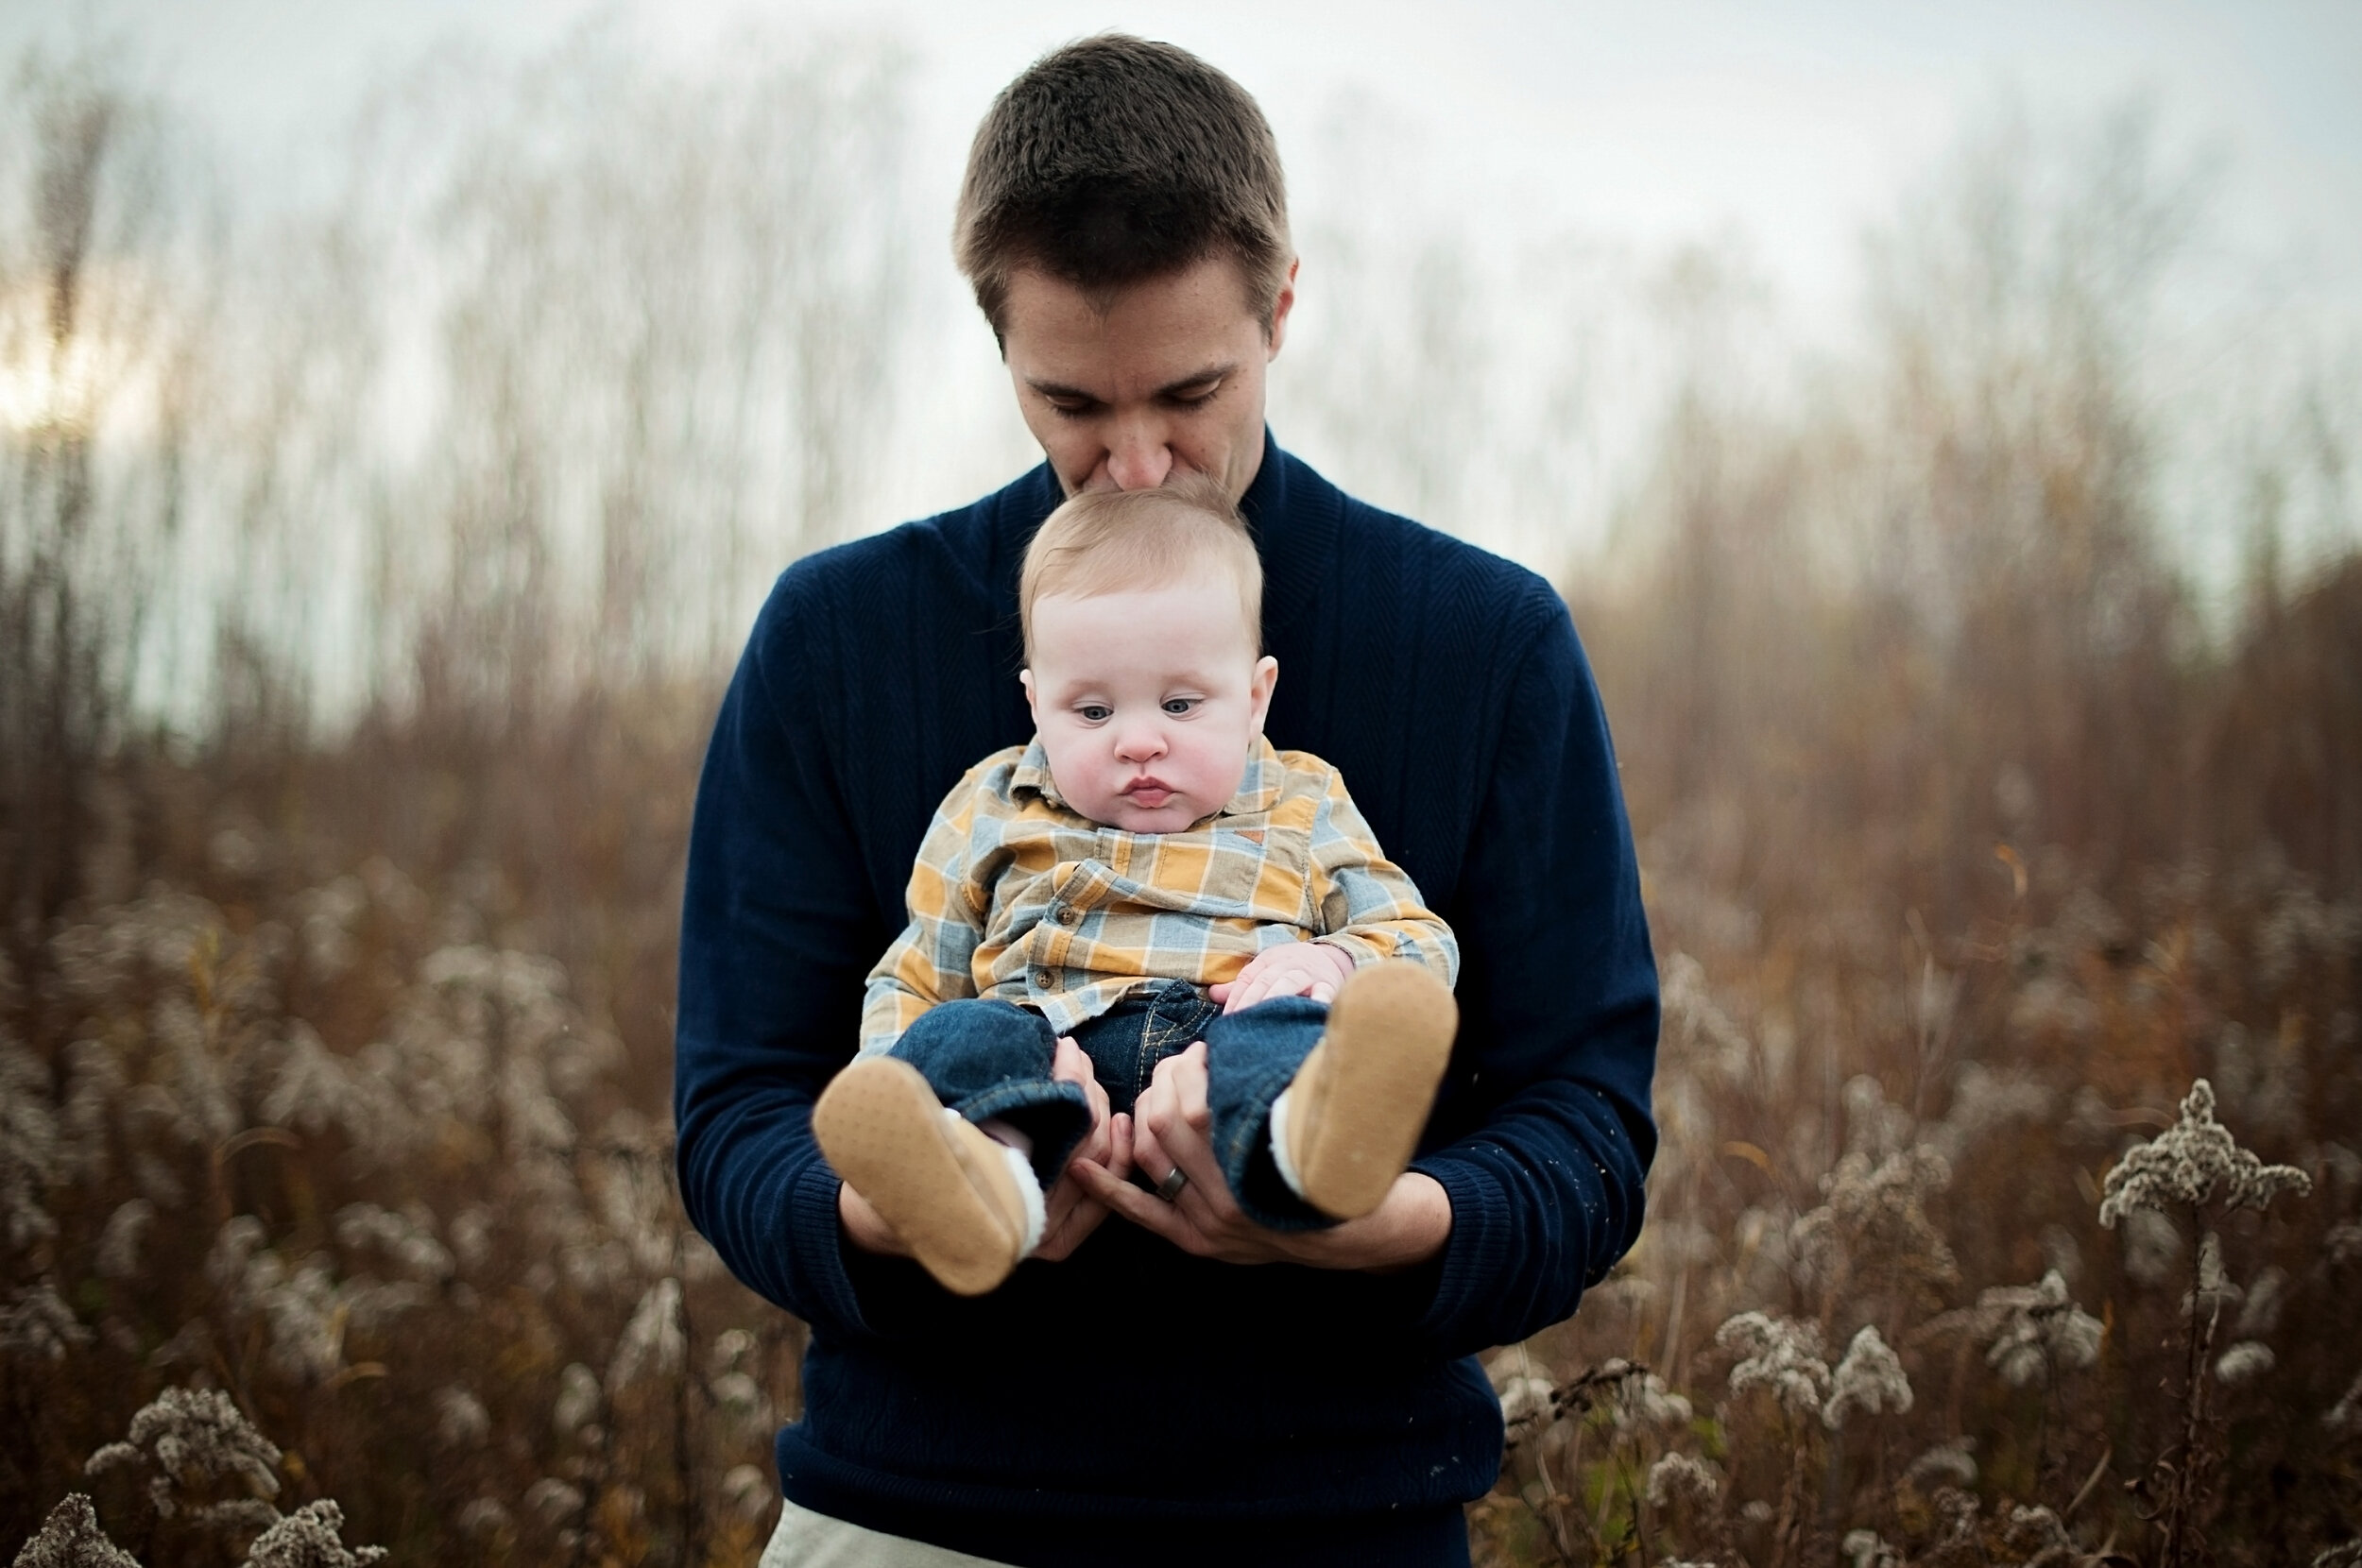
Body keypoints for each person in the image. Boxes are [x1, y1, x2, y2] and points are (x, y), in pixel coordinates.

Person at [674, 33, 1660, 1568]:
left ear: (1281, 306)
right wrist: (904, 1212)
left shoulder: (1485, 644)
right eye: (1068, 403)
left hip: (1340, 1522)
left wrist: (1376, 1227)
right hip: (912, 1518)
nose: (1136, 463)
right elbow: (738, 1106)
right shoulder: (838, 638)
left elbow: (1587, 1128)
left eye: (1191, 391)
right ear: (996, 337)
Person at [813, 480, 1462, 1300]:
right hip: (1041, 1051)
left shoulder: (1300, 799)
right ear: (1035, 703)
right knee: (964, 1035)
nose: (1140, 741)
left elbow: (1416, 935)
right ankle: (981, 1179)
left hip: (1222, 1040)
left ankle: (1308, 1149)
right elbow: (917, 971)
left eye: (1182, 703)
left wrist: (1334, 964)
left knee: (1289, 1033)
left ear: (1256, 697)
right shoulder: (991, 803)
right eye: (1090, 711)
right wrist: (893, 1072)